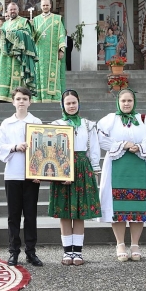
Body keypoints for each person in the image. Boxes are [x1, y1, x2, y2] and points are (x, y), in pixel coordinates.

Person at [97, 89, 146, 262]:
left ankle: (135, 244)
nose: (126, 104)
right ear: (118, 102)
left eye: (129, 101)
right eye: (123, 100)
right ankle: (120, 244)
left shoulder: (144, 120)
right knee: (117, 205)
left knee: (138, 205)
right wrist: (123, 144)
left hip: (138, 164)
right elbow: (101, 139)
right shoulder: (110, 120)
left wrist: (140, 146)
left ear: (134, 102)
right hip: (117, 165)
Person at [49, 90, 101, 266]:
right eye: (68, 103)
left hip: (82, 166)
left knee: (80, 212)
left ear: (79, 103)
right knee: (65, 212)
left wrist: (95, 168)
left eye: (74, 102)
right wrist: (60, 173)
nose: (71, 106)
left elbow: (93, 148)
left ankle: (77, 252)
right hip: (63, 167)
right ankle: (67, 252)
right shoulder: (56, 124)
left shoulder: (88, 125)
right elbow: (52, 150)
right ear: (62, 105)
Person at [0, 87, 44, 266]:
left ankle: (31, 252)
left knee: (30, 215)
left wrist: (40, 172)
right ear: (13, 102)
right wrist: (15, 147)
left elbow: (43, 150)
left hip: (31, 176)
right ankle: (13, 251)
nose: (21, 101)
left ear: (30, 102)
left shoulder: (36, 122)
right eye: (18, 98)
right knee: (13, 215)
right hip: (13, 174)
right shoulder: (6, 124)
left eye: (25, 98)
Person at [0, 3, 38, 102]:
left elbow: (27, 35)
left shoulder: (24, 21)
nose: (12, 11)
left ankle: (19, 97)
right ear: (7, 11)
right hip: (6, 57)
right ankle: (4, 97)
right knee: (5, 75)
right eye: (10, 10)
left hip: (18, 56)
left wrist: (8, 34)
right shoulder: (5, 24)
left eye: (14, 9)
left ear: (18, 10)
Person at [33, 0, 66, 103]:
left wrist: (61, 50)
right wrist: (29, 26)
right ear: (40, 6)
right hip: (39, 53)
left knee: (52, 75)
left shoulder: (57, 19)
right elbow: (32, 37)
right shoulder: (35, 20)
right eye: (43, 5)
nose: (45, 7)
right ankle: (39, 98)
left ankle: (53, 98)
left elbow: (61, 34)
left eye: (47, 5)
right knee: (39, 74)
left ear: (50, 6)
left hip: (52, 53)